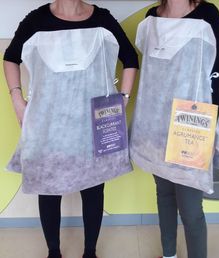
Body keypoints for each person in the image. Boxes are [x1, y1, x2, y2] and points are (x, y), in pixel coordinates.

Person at [3, 1, 138, 258]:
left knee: (94, 188)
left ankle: (90, 252)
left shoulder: (102, 19)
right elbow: (10, 58)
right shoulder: (36, 20)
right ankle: (53, 251)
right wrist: (17, 100)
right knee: (49, 189)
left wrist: (123, 99)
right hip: (49, 125)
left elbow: (130, 59)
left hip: (92, 123)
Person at [130, 1, 219, 258]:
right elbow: (152, 71)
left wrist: (210, 120)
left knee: (190, 207)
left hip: (190, 123)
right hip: (155, 122)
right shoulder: (151, 17)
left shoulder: (207, 14)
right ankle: (169, 254)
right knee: (164, 194)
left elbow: (217, 69)